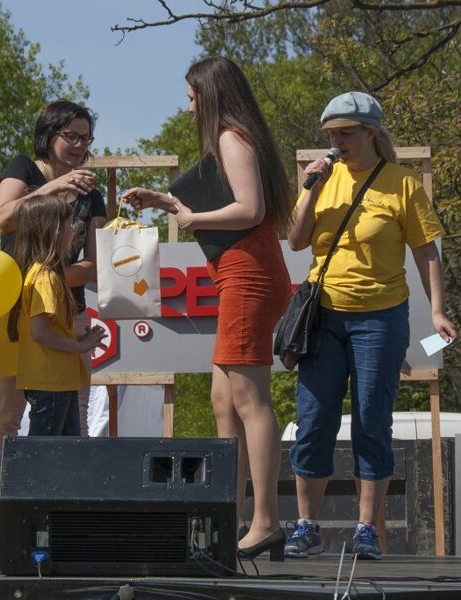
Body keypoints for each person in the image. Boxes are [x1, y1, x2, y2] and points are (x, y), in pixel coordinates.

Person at [122, 56, 294, 560]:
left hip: (248, 277)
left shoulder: (232, 137)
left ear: (211, 95)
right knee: (224, 400)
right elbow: (229, 204)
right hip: (237, 276)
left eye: (192, 97)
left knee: (250, 400)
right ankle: (231, 515)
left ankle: (265, 522)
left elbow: (249, 209)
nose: (189, 106)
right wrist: (164, 201)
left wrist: (194, 219)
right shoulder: (233, 140)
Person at [285, 91, 457, 560]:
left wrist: (437, 311)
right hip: (323, 317)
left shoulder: (402, 184)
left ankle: (365, 529)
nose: (337, 142)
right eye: (332, 134)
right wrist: (310, 189)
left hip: (380, 318)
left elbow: (426, 251)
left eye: (346, 133)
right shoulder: (323, 178)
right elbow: (296, 240)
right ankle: (307, 526)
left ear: (370, 133)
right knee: (314, 419)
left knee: (371, 420)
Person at [0, 100, 106, 553]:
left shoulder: (92, 194)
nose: (78, 145)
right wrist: (55, 187)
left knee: (73, 421)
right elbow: (2, 218)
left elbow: (94, 264)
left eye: (85, 138)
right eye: (70, 135)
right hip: (12, 313)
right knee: (6, 417)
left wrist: (46, 277)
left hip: (67, 311)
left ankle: (62, 519)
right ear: (48, 135)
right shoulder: (23, 168)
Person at [8, 194, 106, 436]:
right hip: (50, 382)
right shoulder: (46, 277)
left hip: (59, 381)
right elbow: (40, 332)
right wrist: (79, 346)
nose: (74, 230)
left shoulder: (45, 274)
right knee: (46, 450)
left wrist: (80, 340)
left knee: (66, 448)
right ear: (52, 231)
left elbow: (49, 330)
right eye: (68, 224)